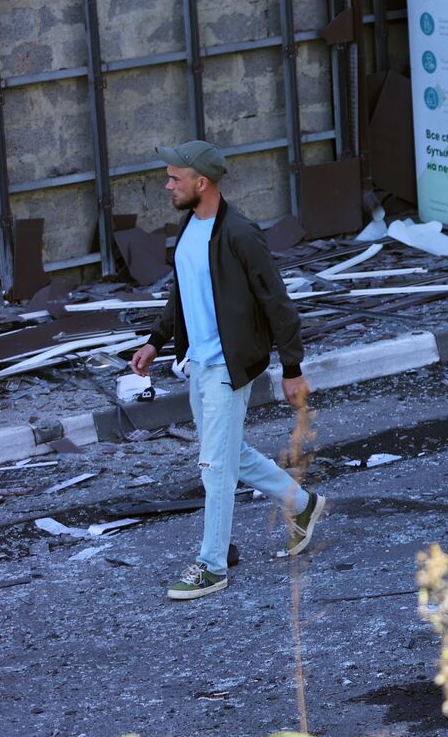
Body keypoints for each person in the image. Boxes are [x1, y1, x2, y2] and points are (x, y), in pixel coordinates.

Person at [129, 140, 325, 600]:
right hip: (198, 362)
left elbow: (277, 303)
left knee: (215, 467)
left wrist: (292, 368)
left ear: (202, 182)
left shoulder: (240, 233)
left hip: (227, 366)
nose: (167, 185)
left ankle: (212, 564)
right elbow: (183, 292)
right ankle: (302, 503)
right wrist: (156, 340)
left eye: (175, 178)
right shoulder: (188, 226)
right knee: (228, 454)